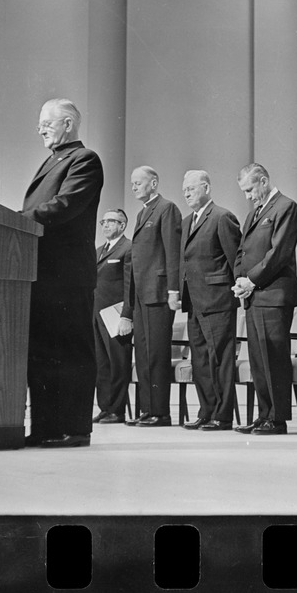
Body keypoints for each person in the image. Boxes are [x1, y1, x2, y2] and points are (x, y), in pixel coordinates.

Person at [22, 98, 104, 448]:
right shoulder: (53, 160)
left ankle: (74, 429)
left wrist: (17, 218)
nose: (39, 128)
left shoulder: (84, 160)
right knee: (42, 351)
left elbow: (65, 205)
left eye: (47, 122)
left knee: (69, 351)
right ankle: (45, 427)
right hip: (42, 272)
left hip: (67, 274)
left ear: (68, 124)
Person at [232, 163, 297, 435]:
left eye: (250, 189)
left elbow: (279, 252)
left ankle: (277, 419)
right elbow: (242, 251)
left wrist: (252, 280)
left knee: (274, 358)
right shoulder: (253, 215)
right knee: (259, 361)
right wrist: (240, 279)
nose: (248, 196)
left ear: (263, 181)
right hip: (253, 295)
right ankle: (264, 415)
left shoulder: (286, 207)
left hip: (273, 295)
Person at [177, 170, 242, 431]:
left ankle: (222, 416)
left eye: (191, 188)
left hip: (217, 300)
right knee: (199, 360)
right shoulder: (185, 222)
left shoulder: (222, 217)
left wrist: (236, 289)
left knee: (220, 359)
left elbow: (235, 259)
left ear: (205, 187)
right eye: (184, 190)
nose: (187, 193)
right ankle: (206, 411)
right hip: (193, 300)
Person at [122, 166, 182, 427]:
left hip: (158, 293)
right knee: (144, 354)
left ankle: (160, 412)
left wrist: (173, 290)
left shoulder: (166, 208)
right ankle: (147, 409)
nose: (134, 187)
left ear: (154, 183)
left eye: (139, 182)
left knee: (157, 353)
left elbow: (172, 251)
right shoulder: (141, 212)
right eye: (132, 183)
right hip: (141, 294)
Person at [92, 209, 132, 425]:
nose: (105, 225)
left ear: (122, 225)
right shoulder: (99, 250)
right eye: (103, 222)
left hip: (116, 315)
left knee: (118, 363)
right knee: (102, 364)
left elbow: (129, 285)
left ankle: (117, 410)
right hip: (97, 315)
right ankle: (105, 408)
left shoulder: (127, 248)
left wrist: (127, 316)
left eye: (111, 221)